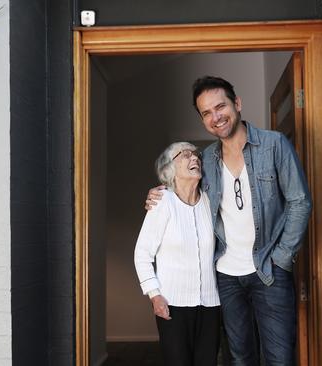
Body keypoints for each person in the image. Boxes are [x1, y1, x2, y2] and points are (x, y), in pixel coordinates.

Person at [146, 76, 312, 366]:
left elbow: (300, 201)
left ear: (237, 104)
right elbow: (184, 190)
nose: (215, 117)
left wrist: (282, 257)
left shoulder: (274, 145)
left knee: (280, 358)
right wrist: (158, 193)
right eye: (206, 113)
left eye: (220, 106)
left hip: (269, 270)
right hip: (225, 276)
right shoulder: (206, 159)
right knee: (239, 358)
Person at [134, 142, 221, 366]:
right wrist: (154, 295)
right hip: (172, 304)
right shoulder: (162, 202)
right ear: (169, 169)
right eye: (185, 155)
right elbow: (142, 253)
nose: (194, 158)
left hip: (211, 304)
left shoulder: (210, 203)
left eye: (196, 155)